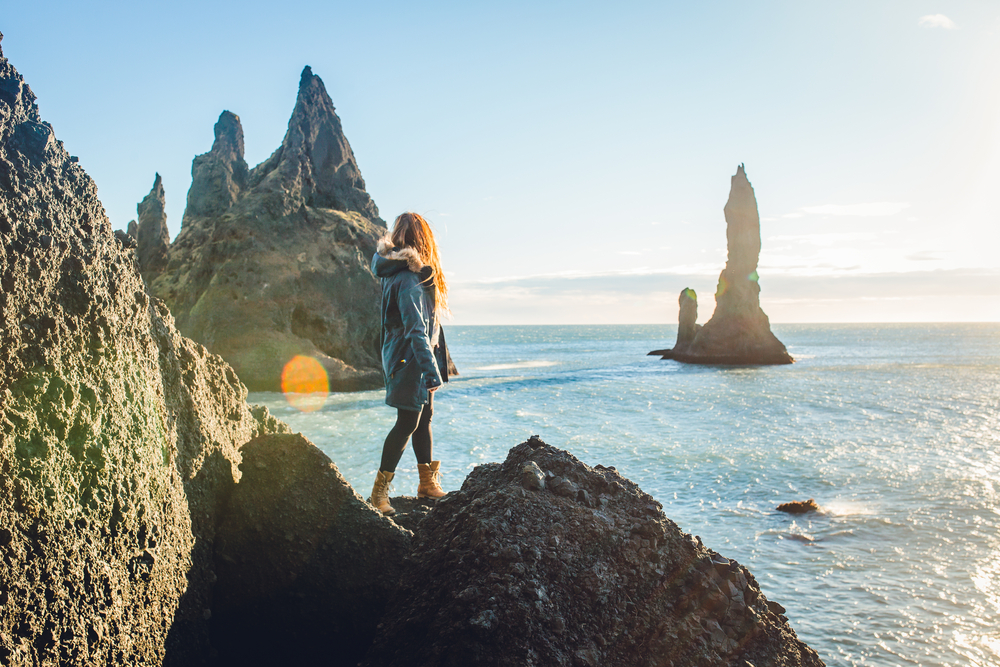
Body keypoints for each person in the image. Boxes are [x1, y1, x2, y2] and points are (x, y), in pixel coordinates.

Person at [368, 212, 452, 516]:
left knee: (424, 417)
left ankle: (426, 484)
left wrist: (437, 362)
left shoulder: (404, 273)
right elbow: (416, 330)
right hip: (409, 359)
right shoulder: (406, 278)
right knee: (407, 422)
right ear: (423, 240)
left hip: (412, 357)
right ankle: (378, 494)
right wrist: (432, 374)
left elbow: (429, 327)